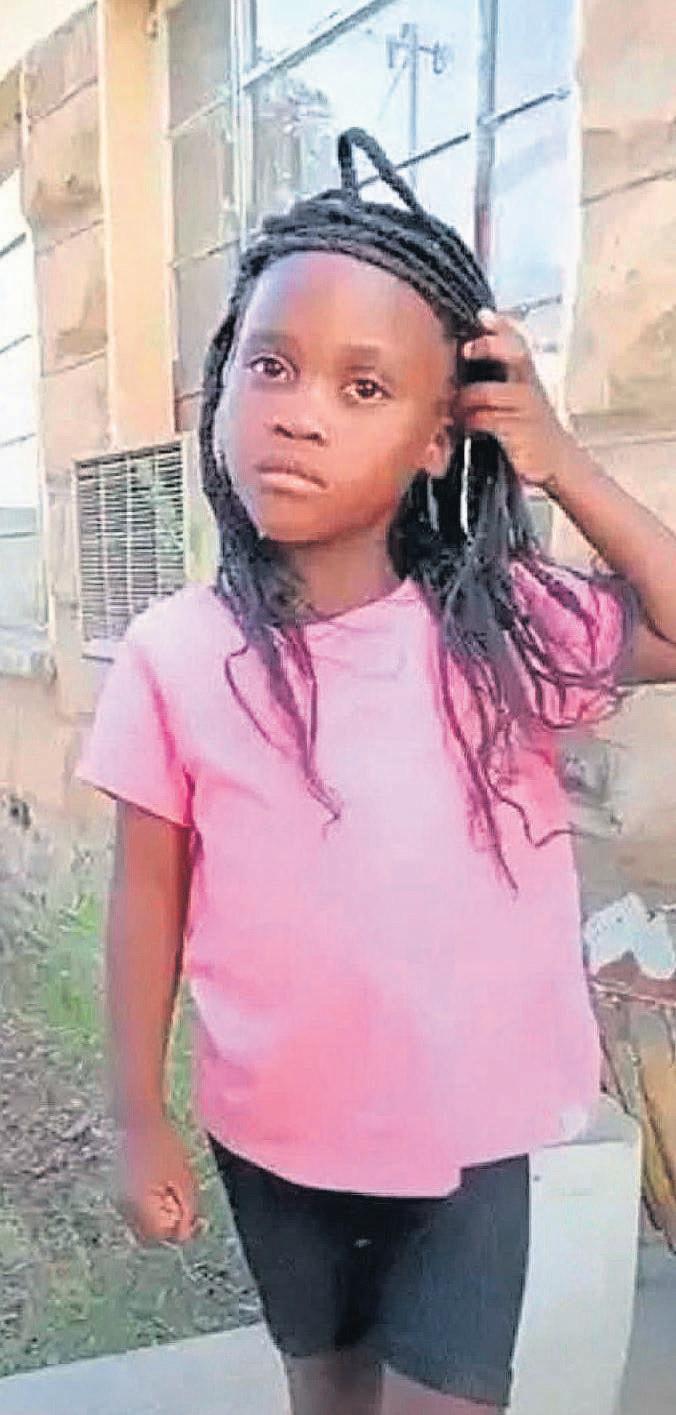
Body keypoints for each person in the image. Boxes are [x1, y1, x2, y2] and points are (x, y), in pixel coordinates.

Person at [78, 129, 676, 1414]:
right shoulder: (175, 654)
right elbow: (148, 897)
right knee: (329, 1393)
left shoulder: (501, 624)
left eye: (364, 386)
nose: (299, 409)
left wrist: (560, 459)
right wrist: (137, 1112)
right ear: (221, 385)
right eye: (271, 365)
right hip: (274, 1134)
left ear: (437, 437)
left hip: (464, 1141)